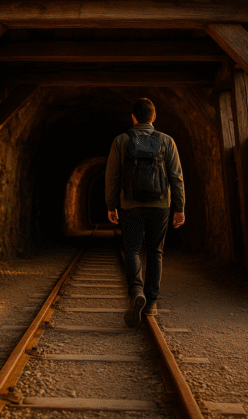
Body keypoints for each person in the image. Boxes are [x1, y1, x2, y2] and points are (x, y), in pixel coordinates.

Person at [105, 98, 185, 328]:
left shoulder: (121, 141)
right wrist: (179, 208)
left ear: (133, 118)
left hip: (130, 205)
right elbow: (176, 178)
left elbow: (111, 177)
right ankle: (151, 302)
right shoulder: (166, 141)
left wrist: (111, 205)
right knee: (155, 252)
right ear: (154, 117)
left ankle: (136, 291)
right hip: (160, 205)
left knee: (131, 249)